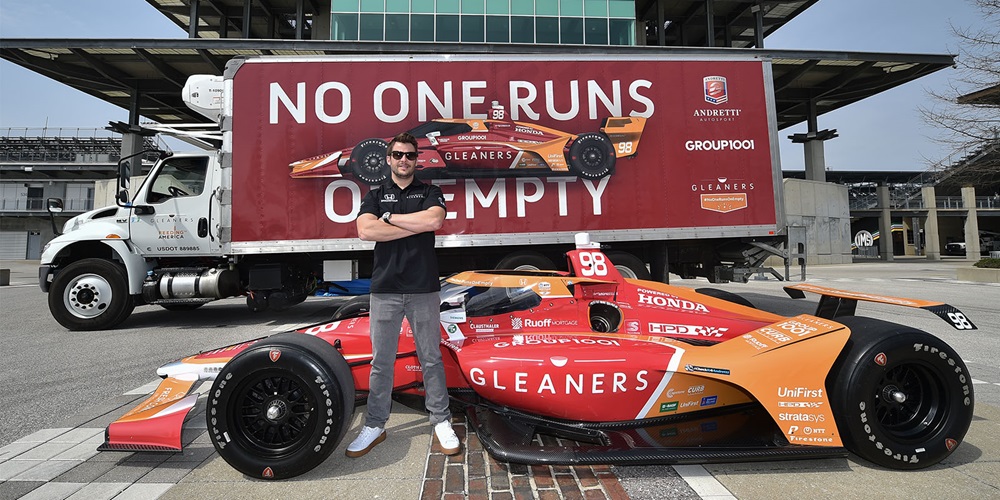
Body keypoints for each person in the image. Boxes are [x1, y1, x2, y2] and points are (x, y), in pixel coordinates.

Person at [345, 132, 460, 458]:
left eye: (409, 155)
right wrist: (414, 224)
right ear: (389, 158)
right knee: (381, 362)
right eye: (398, 155)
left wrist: (391, 218)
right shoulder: (376, 193)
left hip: (423, 288)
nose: (404, 160)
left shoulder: (430, 191)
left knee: (431, 358)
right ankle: (375, 425)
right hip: (385, 290)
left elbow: (434, 220)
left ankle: (441, 420)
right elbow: (366, 230)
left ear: (416, 159)